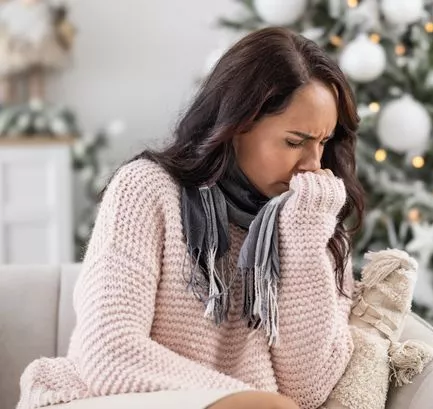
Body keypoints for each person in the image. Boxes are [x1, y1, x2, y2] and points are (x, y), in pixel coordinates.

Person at [16, 26, 365, 409]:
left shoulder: (314, 220)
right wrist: (243, 401)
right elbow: (107, 351)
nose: (312, 166)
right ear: (237, 127)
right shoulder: (147, 190)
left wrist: (302, 241)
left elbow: (309, 390)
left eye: (323, 142)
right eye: (294, 142)